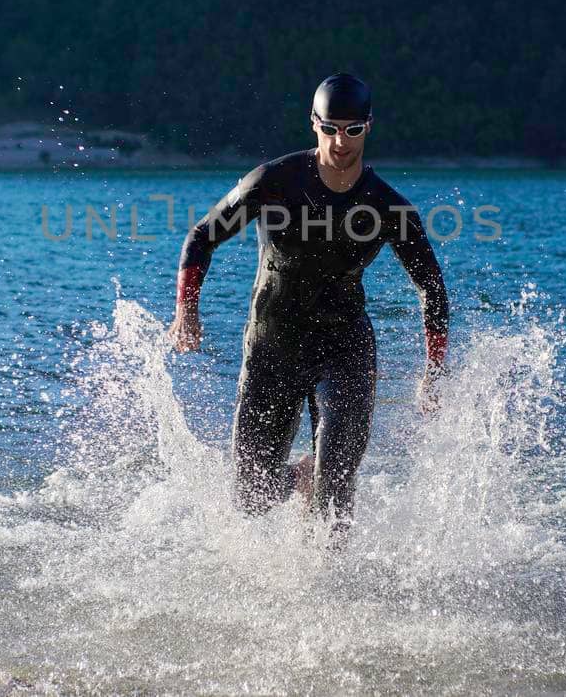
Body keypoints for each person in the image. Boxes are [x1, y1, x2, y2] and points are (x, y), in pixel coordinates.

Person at [169, 73, 449, 530]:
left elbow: (432, 288)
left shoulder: (386, 207)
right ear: (314, 125)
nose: (341, 141)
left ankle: (336, 594)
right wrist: (187, 311)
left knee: (334, 497)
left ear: (368, 127)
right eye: (330, 128)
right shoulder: (274, 181)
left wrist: (433, 372)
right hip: (272, 345)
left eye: (352, 130)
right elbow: (203, 235)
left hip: (345, 350)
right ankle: (300, 478)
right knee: (251, 498)